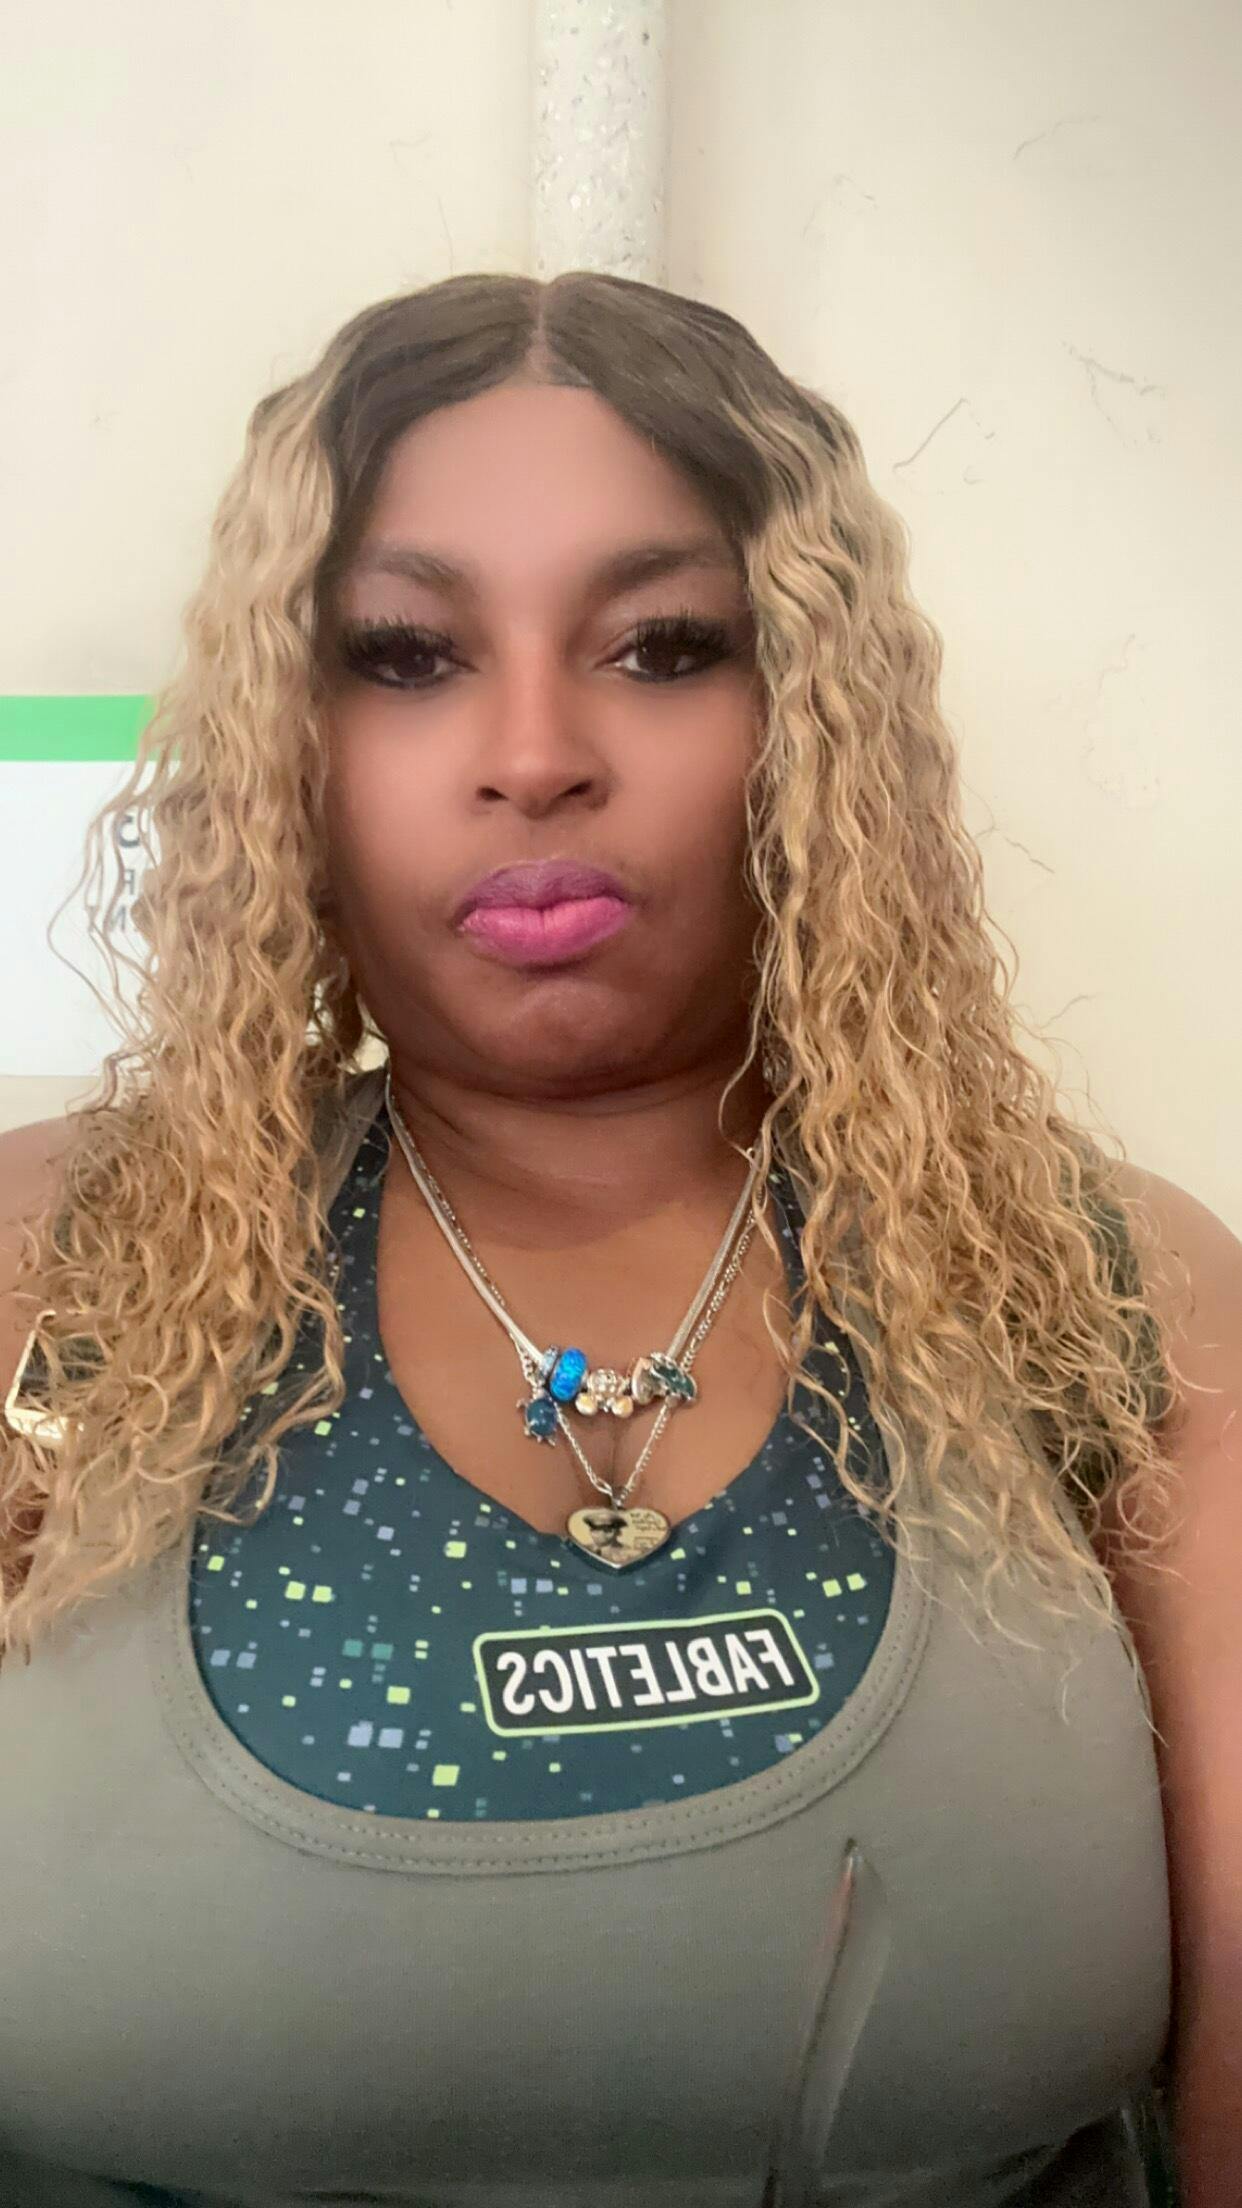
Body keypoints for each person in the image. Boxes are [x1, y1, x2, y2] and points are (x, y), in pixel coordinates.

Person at [0, 269, 1236, 2208]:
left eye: (661, 647)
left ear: (812, 721)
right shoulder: (47, 1279)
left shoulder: (1109, 1291)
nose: (533, 752)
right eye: (407, 653)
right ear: (285, 741)